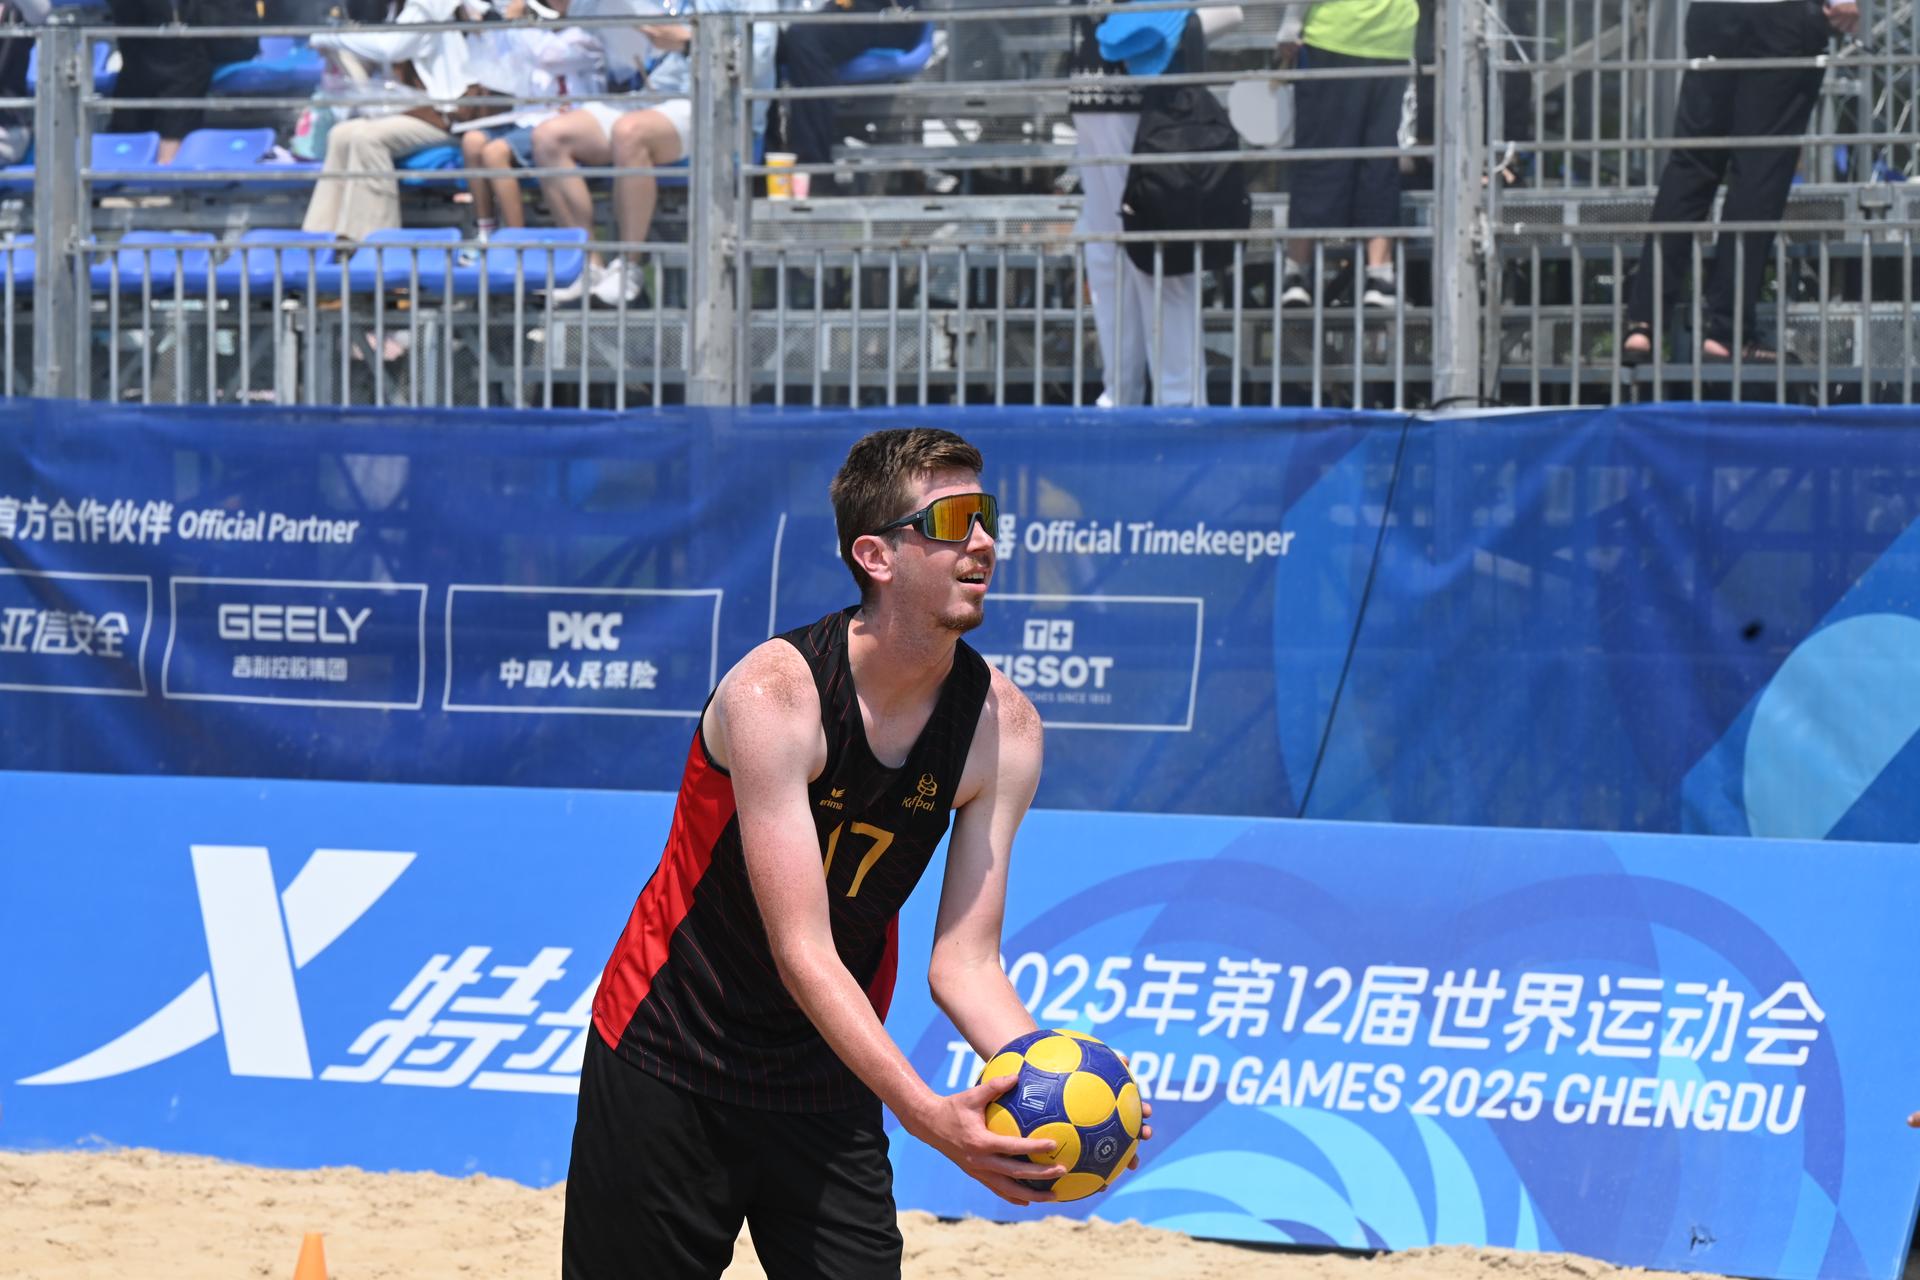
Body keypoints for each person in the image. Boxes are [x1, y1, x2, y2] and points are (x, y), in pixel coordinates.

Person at [562, 428, 1148, 1279]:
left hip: (828, 1070)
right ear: (876, 556)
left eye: (985, 515)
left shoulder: (1005, 728)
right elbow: (801, 950)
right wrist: (927, 1115)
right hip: (672, 1051)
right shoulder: (775, 694)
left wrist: (1066, 1089)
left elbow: (966, 965)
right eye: (950, 521)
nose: (983, 541)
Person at [1622, 0, 1859, 365]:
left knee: (1691, 165)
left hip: (1712, 13)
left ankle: (1643, 323)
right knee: (1759, 172)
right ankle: (1726, 331)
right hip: (1779, 16)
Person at [534, 0, 776, 306]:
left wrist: (689, 44)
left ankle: (629, 266)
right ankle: (588, 267)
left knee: (630, 132)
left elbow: (759, 57)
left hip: (721, 108)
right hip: (658, 97)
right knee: (549, 137)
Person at [1068, 10, 1204, 406]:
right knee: (1116, 251)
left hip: (1135, 90)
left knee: (1152, 250)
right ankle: (1136, 396)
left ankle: (1173, 399)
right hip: (1101, 87)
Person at [1275, 0, 1417, 310]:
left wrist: (1291, 22)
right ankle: (1380, 276)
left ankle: (1296, 273)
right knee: (1379, 160)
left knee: (1318, 156)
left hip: (1333, 33)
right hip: (1392, 37)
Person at [303, 0, 479, 243]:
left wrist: (329, 37)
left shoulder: (430, 4)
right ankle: (319, 238)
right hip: (415, 112)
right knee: (340, 134)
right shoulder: (395, 9)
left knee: (367, 139)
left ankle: (373, 240)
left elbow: (390, 47)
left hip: (447, 116)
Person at [460, 1, 609, 237]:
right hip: (525, 119)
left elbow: (548, 55)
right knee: (472, 141)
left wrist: (515, 23)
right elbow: (498, 66)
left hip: (562, 123)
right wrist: (485, 28)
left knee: (494, 153)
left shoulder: (584, 35)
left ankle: (516, 239)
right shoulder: (533, 34)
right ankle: (485, 231)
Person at [107, 0, 260, 164]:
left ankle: (166, 161)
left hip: (223, 32)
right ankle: (127, 154)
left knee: (181, 66)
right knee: (147, 68)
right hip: (153, 44)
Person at [774, 0, 922, 169]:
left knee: (805, 38)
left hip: (889, 14)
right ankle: (762, 161)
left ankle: (813, 168)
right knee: (766, 38)